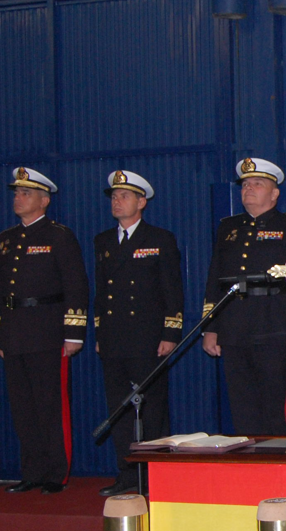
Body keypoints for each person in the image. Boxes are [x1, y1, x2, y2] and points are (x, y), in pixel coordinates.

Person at [201, 157, 286, 435]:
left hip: (273, 327)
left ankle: (278, 468)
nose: (248, 189)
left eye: (257, 184)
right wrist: (210, 327)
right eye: (244, 185)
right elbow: (214, 277)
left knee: (273, 407)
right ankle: (251, 469)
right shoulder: (228, 227)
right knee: (241, 407)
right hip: (233, 327)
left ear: (275, 194)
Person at [0, 167, 88, 494]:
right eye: (17, 193)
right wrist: (1, 332)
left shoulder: (58, 236)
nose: (18, 198)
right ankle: (31, 471)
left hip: (48, 330)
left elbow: (76, 285)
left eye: (26, 193)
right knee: (23, 408)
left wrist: (74, 333)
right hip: (16, 332)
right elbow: (0, 291)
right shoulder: (6, 240)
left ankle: (54, 474)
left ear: (44, 200)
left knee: (50, 405)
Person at [93, 170, 183, 496]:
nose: (117, 201)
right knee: (119, 410)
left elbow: (173, 290)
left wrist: (171, 332)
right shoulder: (103, 241)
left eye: (124, 196)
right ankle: (128, 476)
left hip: (149, 338)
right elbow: (101, 294)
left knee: (152, 409)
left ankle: (156, 477)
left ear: (141, 202)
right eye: (114, 196)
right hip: (116, 338)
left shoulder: (160, 239)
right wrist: (100, 333)